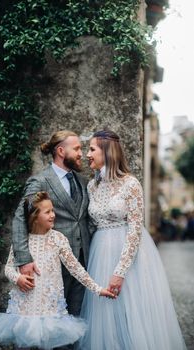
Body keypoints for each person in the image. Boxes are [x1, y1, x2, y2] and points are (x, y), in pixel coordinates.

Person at [77, 130, 187, 350]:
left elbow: (135, 229)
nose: (87, 154)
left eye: (92, 149)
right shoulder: (92, 186)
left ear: (107, 151)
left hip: (128, 255)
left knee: (132, 313)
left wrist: (120, 271)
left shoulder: (131, 184)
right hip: (100, 254)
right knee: (104, 315)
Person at [0, 192, 114, 349]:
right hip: (25, 310)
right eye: (47, 212)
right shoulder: (21, 241)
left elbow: (76, 269)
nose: (53, 215)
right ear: (34, 216)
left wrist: (98, 289)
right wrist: (17, 278)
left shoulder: (58, 239)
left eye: (53, 210)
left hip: (50, 309)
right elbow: (8, 268)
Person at [12, 130, 93, 317]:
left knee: (75, 318)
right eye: (77, 149)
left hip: (82, 262)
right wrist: (24, 259)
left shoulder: (82, 181)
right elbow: (20, 217)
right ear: (61, 151)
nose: (82, 153)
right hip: (52, 265)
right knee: (53, 319)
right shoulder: (40, 181)